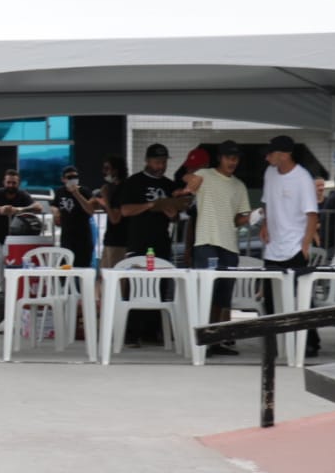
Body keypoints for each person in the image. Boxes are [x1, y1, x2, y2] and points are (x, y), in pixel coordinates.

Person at [184, 140, 252, 354]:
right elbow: (187, 178)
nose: (232, 161)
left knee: (222, 297)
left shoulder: (239, 186)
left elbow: (238, 219)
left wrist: (254, 216)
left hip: (229, 245)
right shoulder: (204, 175)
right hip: (206, 241)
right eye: (228, 157)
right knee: (205, 292)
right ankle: (201, 339)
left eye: (236, 158)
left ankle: (214, 340)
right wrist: (189, 181)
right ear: (220, 158)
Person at [118, 144, 187, 345]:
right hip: (139, 241)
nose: (161, 166)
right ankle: (133, 332)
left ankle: (154, 331)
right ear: (147, 161)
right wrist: (151, 205)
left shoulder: (169, 184)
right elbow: (125, 211)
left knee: (160, 285)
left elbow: (178, 214)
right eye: (157, 162)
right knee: (136, 284)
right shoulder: (134, 182)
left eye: (164, 162)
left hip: (161, 242)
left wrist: (173, 213)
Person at [260, 135, 321, 357]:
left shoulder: (302, 178)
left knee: (301, 298)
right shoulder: (269, 173)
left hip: (295, 246)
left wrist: (305, 244)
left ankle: (310, 341)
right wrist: (266, 224)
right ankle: (273, 343)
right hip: (273, 246)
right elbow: (266, 202)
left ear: (284, 154)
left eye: (272, 153)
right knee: (270, 298)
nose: (268, 157)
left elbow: (312, 215)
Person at [51, 167, 101, 268]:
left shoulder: (84, 191)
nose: (72, 179)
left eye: (75, 177)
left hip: (83, 237)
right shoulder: (60, 191)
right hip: (67, 236)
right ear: (63, 179)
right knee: (65, 268)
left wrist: (76, 193)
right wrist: (55, 212)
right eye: (69, 177)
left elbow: (90, 210)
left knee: (82, 267)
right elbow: (54, 204)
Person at [0, 167, 42, 246]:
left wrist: (18, 209)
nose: (11, 185)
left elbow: (38, 207)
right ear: (3, 182)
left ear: (18, 183)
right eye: (8, 182)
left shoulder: (22, 195)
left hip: (17, 240)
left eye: (14, 183)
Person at [100, 156, 130, 267]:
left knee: (115, 280)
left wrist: (106, 199)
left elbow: (115, 219)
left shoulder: (123, 189)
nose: (104, 172)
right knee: (104, 278)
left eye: (107, 168)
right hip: (110, 240)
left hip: (119, 242)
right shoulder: (115, 188)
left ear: (116, 170)